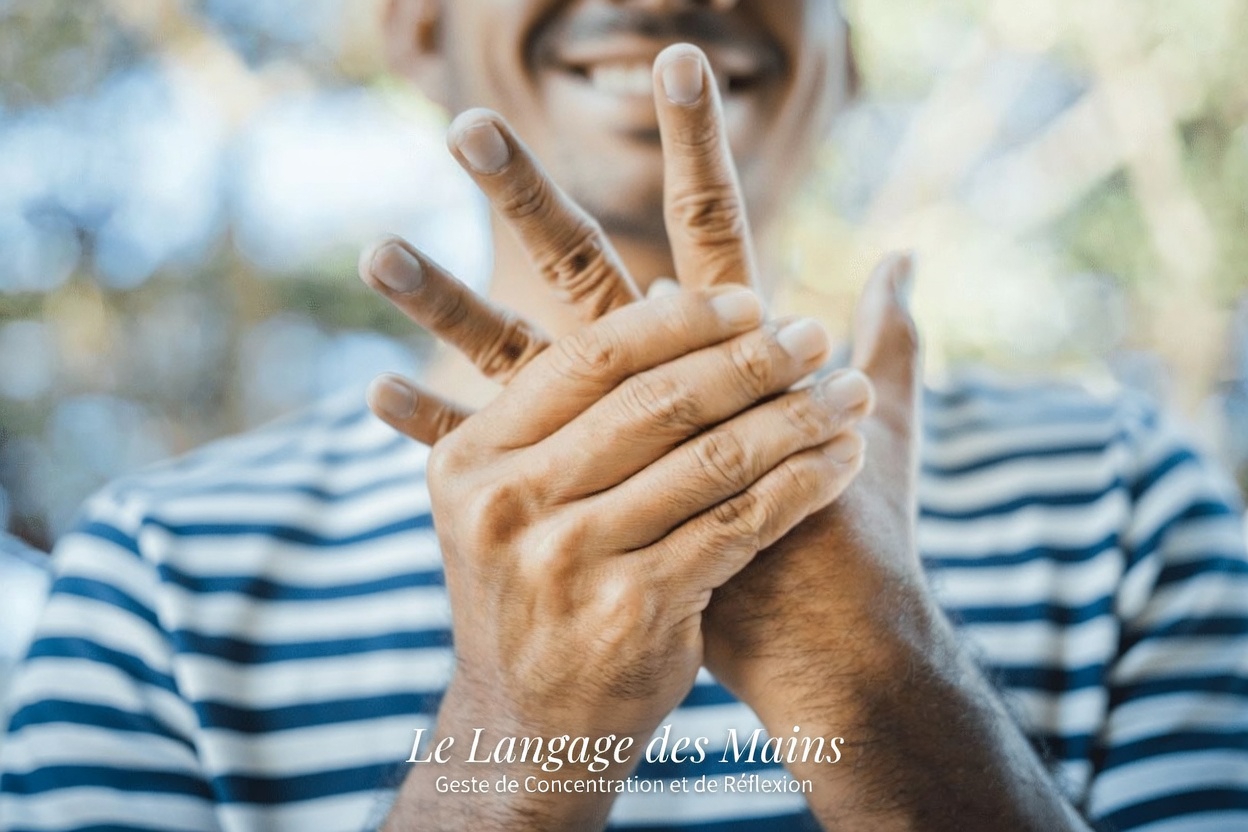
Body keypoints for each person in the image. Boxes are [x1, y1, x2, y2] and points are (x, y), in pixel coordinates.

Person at [2, 1, 1246, 830]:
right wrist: (519, 736)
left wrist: (872, 676)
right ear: (417, 26)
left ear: (846, 49)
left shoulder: (1128, 501)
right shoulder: (161, 576)